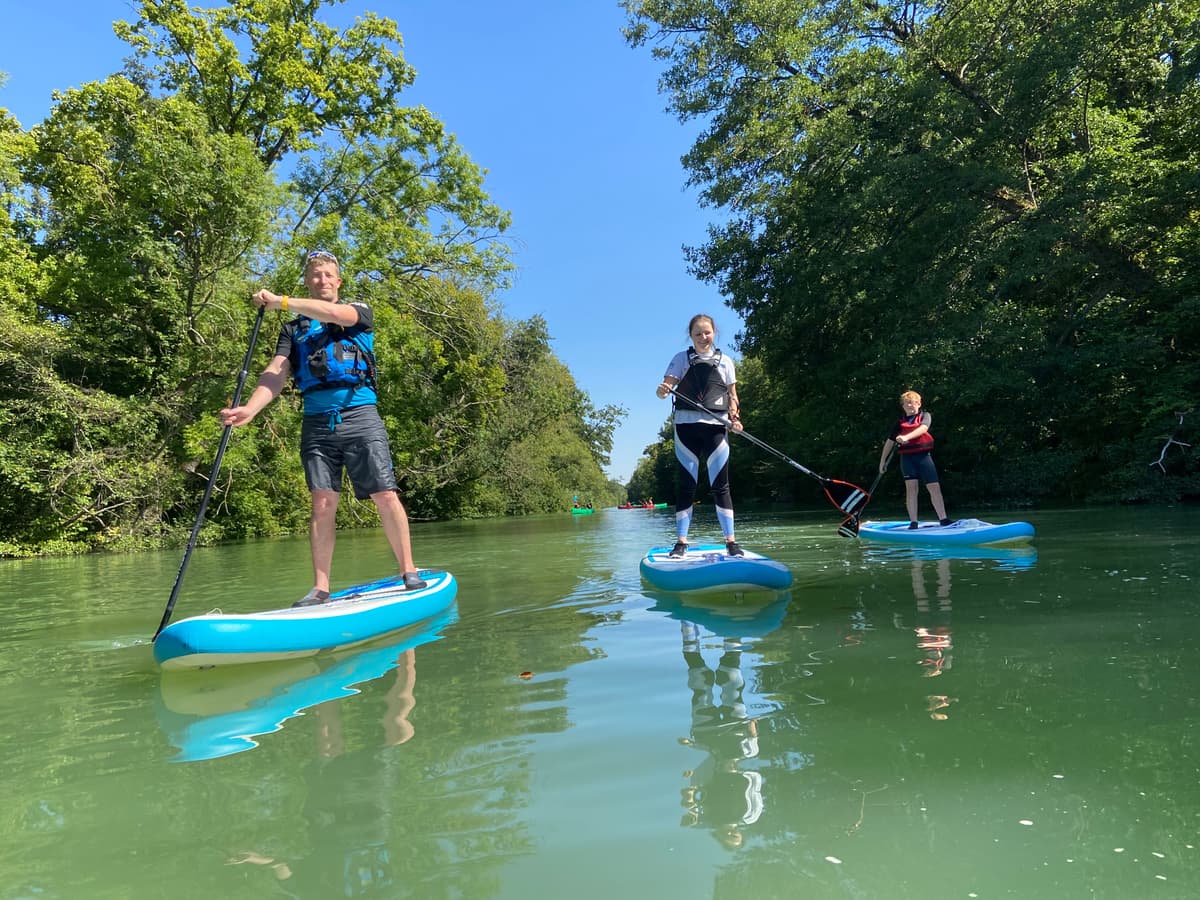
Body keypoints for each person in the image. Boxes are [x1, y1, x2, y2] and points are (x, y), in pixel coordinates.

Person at [220, 250, 426, 606]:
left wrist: (280, 301)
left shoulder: (359, 313)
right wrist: (250, 409)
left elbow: (333, 314)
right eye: (315, 276)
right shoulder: (293, 330)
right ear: (307, 281)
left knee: (385, 493)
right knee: (322, 503)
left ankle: (408, 569)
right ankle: (320, 587)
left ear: (338, 280)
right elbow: (276, 372)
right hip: (317, 423)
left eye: (328, 275)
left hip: (360, 415)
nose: (322, 281)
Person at [655, 314, 744, 558]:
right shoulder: (680, 359)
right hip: (686, 427)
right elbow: (665, 388)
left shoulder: (726, 361)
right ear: (691, 336)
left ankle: (731, 542)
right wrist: (662, 391)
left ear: (714, 332)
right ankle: (681, 543)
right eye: (698, 334)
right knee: (687, 485)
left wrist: (735, 419)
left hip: (717, 427)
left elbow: (732, 396)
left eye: (707, 332)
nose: (703, 337)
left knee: (721, 485)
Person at [879, 390, 952, 529]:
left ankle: (944, 520)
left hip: (924, 458)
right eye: (907, 404)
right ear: (903, 406)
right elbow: (889, 442)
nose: (910, 406)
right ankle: (913, 522)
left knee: (934, 488)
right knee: (911, 489)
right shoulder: (899, 423)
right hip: (907, 459)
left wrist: (906, 437)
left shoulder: (925, 416)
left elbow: (923, 429)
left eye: (913, 403)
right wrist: (882, 461)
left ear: (919, 404)